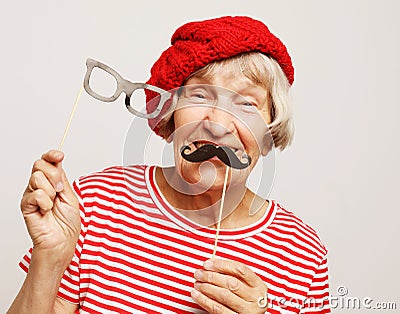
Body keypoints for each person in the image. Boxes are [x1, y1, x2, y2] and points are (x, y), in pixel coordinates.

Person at [8, 16, 330, 313]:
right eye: (200, 95)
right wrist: (48, 259)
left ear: (270, 130)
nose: (218, 125)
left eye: (246, 103)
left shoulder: (304, 255)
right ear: (170, 113)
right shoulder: (92, 205)